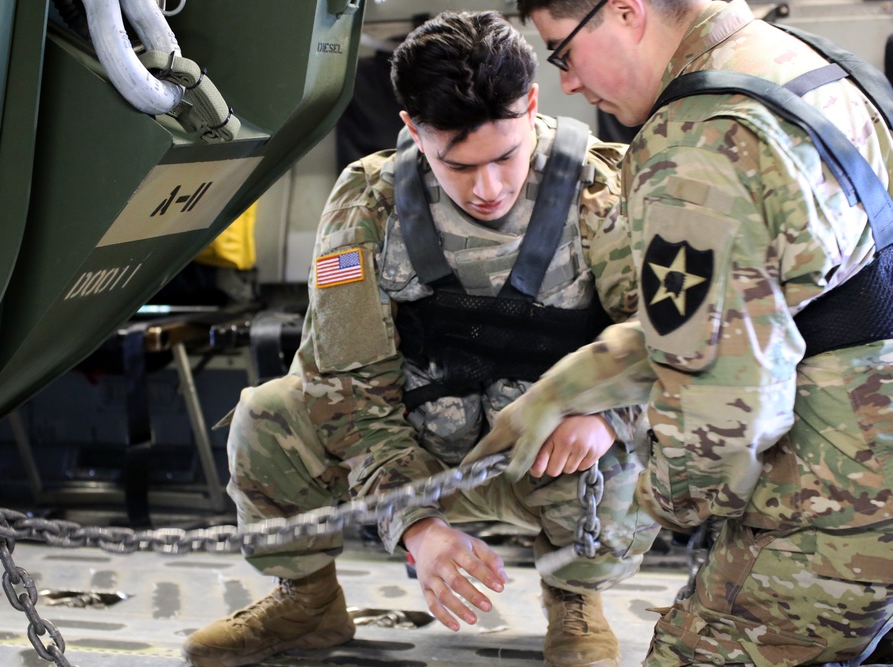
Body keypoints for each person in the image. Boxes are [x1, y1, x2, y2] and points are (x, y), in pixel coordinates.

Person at [181, 11, 660, 667]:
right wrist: (417, 526)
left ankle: (575, 602)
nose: (488, 188)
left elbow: (676, 344)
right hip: (419, 452)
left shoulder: (605, 191)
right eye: (458, 165)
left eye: (506, 156)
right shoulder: (367, 204)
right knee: (269, 413)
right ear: (411, 129)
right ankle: (307, 604)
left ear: (531, 105)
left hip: (549, 461)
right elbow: (347, 390)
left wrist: (610, 411)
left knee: (622, 424)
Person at [502, 0, 893, 664]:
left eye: (562, 50)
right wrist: (570, 385)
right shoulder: (822, 75)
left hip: (854, 503)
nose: (567, 81)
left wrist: (655, 499)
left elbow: (725, 409)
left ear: (624, 13)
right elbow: (843, 295)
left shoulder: (696, 136)